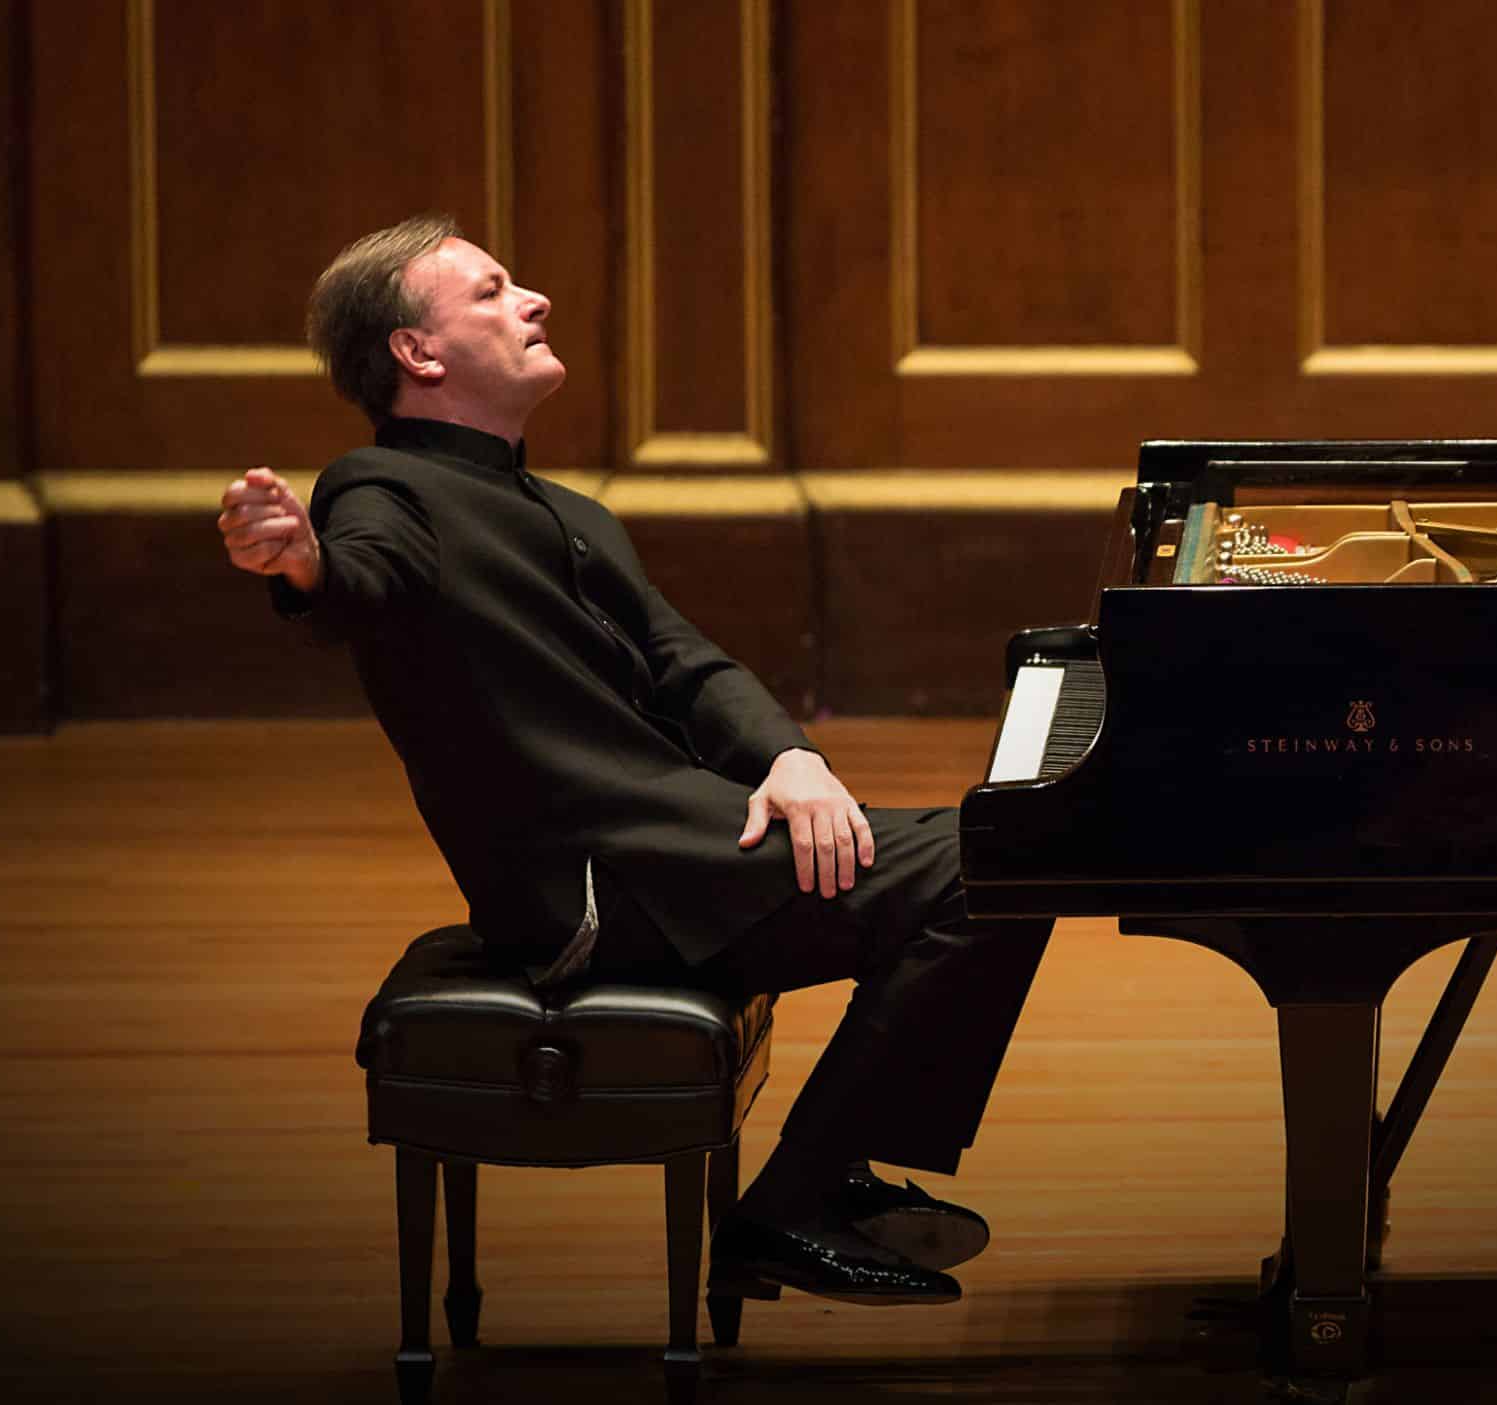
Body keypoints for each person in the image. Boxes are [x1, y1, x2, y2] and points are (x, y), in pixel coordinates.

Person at [214, 213, 1050, 1305]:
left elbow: (688, 665)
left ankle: (825, 1174)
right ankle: (795, 1203)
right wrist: (305, 565)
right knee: (997, 863)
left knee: (1001, 852)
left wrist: (792, 759)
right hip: (603, 892)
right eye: (492, 291)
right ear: (417, 352)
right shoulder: (384, 489)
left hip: (682, 851)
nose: (533, 300)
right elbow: (361, 578)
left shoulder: (571, 513)